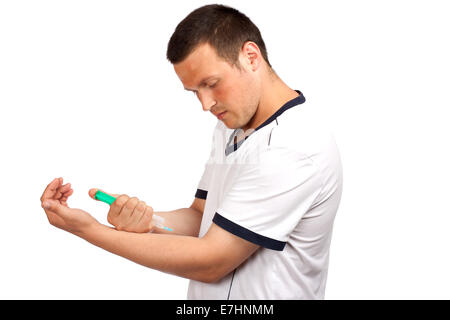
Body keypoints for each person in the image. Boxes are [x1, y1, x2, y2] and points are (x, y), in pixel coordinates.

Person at [40, 4, 343, 299]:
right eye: (195, 91)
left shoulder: (295, 146)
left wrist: (90, 231)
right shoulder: (231, 125)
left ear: (251, 57)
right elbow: (201, 217)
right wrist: (148, 222)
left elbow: (212, 260)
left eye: (211, 84)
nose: (205, 104)